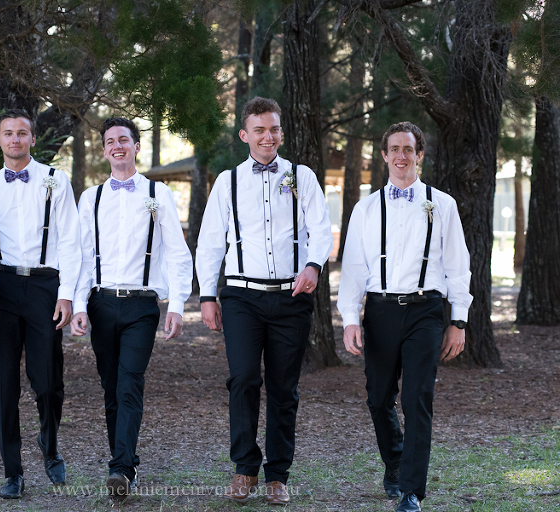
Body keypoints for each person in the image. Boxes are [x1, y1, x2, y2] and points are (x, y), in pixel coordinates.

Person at [195, 96, 333, 506]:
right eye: (259, 130)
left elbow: (321, 228)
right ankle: (244, 468)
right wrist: (207, 295)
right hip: (241, 297)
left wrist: (313, 266)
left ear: (281, 133)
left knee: (283, 387)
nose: (267, 136)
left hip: (292, 297)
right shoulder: (228, 182)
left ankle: (277, 475)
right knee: (242, 380)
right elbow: (210, 243)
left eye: (273, 129)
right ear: (245, 135)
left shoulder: (301, 176)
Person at [337, 122, 472, 512]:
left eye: (408, 149)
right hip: (379, 310)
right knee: (379, 398)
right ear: (384, 155)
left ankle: (411, 490)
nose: (401, 156)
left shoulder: (442, 204)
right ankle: (395, 463)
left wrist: (458, 320)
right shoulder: (366, 208)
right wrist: (350, 317)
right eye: (394, 149)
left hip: (425, 311)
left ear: (419, 155)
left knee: (417, 399)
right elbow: (354, 267)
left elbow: (457, 266)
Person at [70, 117, 193, 496]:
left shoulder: (159, 194)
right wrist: (78, 304)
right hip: (101, 303)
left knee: (129, 384)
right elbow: (81, 255)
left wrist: (177, 304)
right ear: (104, 150)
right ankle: (125, 462)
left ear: (136, 146)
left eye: (124, 139)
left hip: (142, 306)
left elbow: (177, 251)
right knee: (111, 387)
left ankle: (120, 468)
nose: (118, 146)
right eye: (110, 141)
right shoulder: (90, 198)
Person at [0, 109, 81, 499]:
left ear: (33, 139)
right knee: (4, 384)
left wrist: (67, 293)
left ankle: (49, 444)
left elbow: (71, 240)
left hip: (45, 286)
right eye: (8, 133)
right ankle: (12, 471)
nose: (15, 139)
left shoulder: (55, 180)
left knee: (47, 381)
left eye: (22, 133)